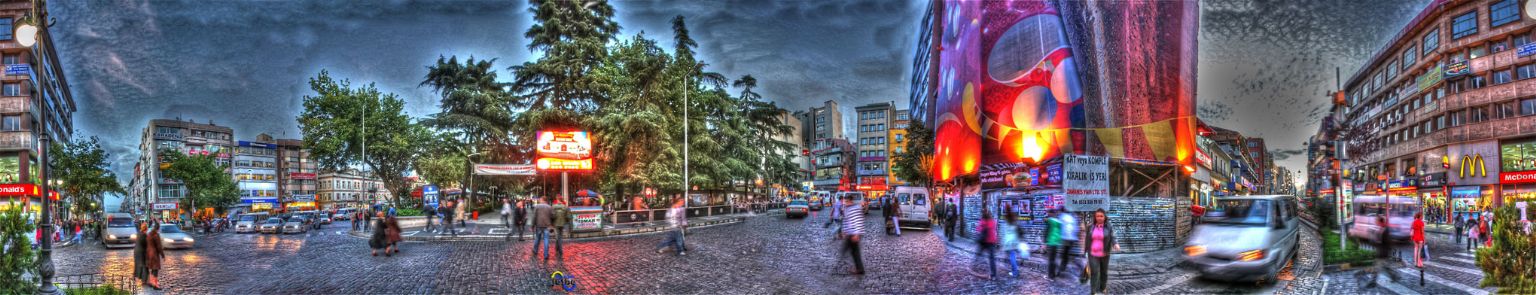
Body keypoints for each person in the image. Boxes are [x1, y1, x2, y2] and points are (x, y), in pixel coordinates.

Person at [1083, 209, 1119, 294]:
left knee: (1104, 272)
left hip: (1104, 253)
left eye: (1101, 216)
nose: (1099, 218)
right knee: (1094, 272)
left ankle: (1103, 287)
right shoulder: (1090, 226)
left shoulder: (1109, 226)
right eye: (1097, 216)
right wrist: (1084, 250)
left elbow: (1113, 236)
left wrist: (1115, 244)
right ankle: (1093, 290)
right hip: (1092, 254)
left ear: (1104, 217)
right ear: (1095, 217)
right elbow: (1087, 239)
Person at [1368, 214, 1399, 287]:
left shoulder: (1386, 230)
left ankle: (1373, 282)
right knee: (1387, 267)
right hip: (1381, 252)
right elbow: (1379, 241)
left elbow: (1387, 242)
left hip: (1383, 253)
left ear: (1381, 222)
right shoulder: (1380, 229)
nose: (1376, 222)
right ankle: (1394, 276)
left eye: (1377, 221)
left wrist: (1378, 243)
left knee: (1376, 267)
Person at [838, 195, 866, 275]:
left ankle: (859, 269)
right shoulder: (846, 209)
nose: (845, 203)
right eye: (844, 201)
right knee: (854, 251)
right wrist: (844, 231)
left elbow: (858, 221)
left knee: (851, 251)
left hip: (854, 234)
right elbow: (846, 221)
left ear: (851, 201)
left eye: (846, 201)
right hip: (850, 233)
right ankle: (859, 269)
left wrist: (857, 234)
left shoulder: (856, 208)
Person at [974, 208, 999, 278]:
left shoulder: (982, 221)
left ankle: (974, 266)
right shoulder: (993, 221)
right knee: (992, 258)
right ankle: (994, 274)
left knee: (978, 253)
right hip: (992, 242)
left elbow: (978, 230)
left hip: (984, 242)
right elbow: (995, 230)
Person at [1002, 207, 1025, 277]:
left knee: (1012, 257)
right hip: (1015, 241)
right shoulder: (1015, 222)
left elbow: (1005, 232)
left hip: (1009, 242)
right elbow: (1019, 231)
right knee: (1012, 256)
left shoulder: (1006, 222)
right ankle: (1014, 270)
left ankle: (1015, 272)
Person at [1058, 209, 1081, 280]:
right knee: (1066, 253)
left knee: (1065, 253)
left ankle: (1062, 268)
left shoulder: (1063, 216)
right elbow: (1076, 229)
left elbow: (1060, 227)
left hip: (1066, 238)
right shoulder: (1073, 218)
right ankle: (1063, 267)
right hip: (1071, 239)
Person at [532, 197, 554, 261]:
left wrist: (532, 225)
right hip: (547, 226)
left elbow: (534, 216)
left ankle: (535, 250)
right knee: (546, 240)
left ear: (542, 200)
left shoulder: (537, 206)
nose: (539, 200)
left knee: (537, 238)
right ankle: (546, 254)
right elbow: (553, 216)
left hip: (539, 225)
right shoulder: (549, 207)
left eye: (540, 199)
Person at [1044, 208, 1064, 279]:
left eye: (1049, 213)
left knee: (1050, 260)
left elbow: (1045, 221)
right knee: (1054, 259)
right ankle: (1054, 274)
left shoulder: (1051, 221)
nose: (1048, 214)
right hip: (1057, 242)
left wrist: (1045, 242)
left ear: (1051, 213)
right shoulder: (1059, 222)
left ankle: (1050, 276)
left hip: (1051, 242)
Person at [145, 222, 164, 290]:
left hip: (149, 253)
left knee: (152, 269)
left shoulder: (149, 234)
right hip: (154, 254)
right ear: (158, 228)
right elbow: (159, 246)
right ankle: (155, 285)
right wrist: (163, 255)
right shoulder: (156, 235)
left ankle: (152, 283)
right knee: (155, 269)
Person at [133, 222, 149, 287]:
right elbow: (146, 244)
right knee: (145, 267)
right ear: (146, 229)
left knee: (138, 265)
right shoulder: (144, 235)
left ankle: (136, 277)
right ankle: (144, 281)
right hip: (141, 253)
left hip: (136, 252)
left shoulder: (139, 234)